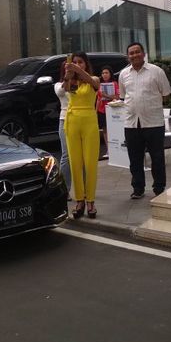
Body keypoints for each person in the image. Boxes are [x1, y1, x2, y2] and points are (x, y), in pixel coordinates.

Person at [119, 42, 171, 199]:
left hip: (153, 122)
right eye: (131, 53)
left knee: (157, 158)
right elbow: (123, 96)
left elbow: (166, 94)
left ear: (143, 53)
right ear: (128, 56)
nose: (134, 55)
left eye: (137, 52)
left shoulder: (156, 71)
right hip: (131, 123)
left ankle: (159, 188)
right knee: (135, 159)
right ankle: (138, 188)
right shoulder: (123, 74)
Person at [63, 52, 101, 219]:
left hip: (89, 122)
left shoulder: (94, 79)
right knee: (75, 163)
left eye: (81, 62)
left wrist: (77, 69)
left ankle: (90, 201)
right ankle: (79, 200)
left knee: (90, 163)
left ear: (86, 64)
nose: (78, 64)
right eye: (75, 62)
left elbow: (94, 84)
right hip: (72, 121)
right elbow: (65, 89)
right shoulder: (72, 82)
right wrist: (68, 75)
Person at [54, 66, 72, 199]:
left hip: (80, 119)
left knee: (82, 157)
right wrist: (68, 76)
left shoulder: (81, 83)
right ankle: (65, 189)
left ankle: (84, 190)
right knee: (66, 155)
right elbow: (61, 91)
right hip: (64, 120)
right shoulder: (59, 84)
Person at [96, 65, 119, 160]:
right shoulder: (98, 85)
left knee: (113, 129)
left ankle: (116, 149)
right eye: (103, 73)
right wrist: (95, 110)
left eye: (106, 73)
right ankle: (108, 149)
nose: (104, 75)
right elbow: (98, 98)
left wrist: (106, 95)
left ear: (110, 74)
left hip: (112, 109)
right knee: (105, 130)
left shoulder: (115, 83)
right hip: (102, 109)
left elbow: (117, 97)